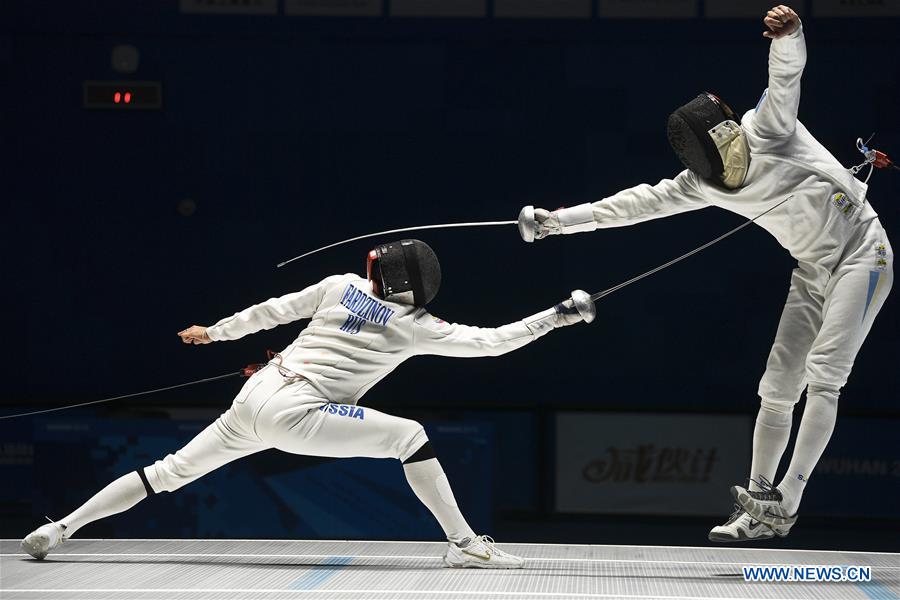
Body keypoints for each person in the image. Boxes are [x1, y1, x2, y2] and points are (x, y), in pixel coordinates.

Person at [524, 5, 892, 542]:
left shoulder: (768, 126)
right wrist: (559, 223)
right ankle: (757, 505)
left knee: (825, 375)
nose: (730, 152)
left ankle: (787, 500)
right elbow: (631, 205)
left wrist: (790, 35)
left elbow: (785, 75)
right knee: (776, 387)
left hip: (864, 251)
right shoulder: (702, 184)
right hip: (813, 270)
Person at [22, 239, 593, 567]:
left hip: (257, 393)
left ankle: (62, 529)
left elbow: (270, 310)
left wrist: (215, 332)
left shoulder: (337, 285)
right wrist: (559, 315)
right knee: (408, 436)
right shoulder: (417, 326)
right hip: (298, 410)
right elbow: (495, 342)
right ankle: (465, 545)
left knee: (165, 474)